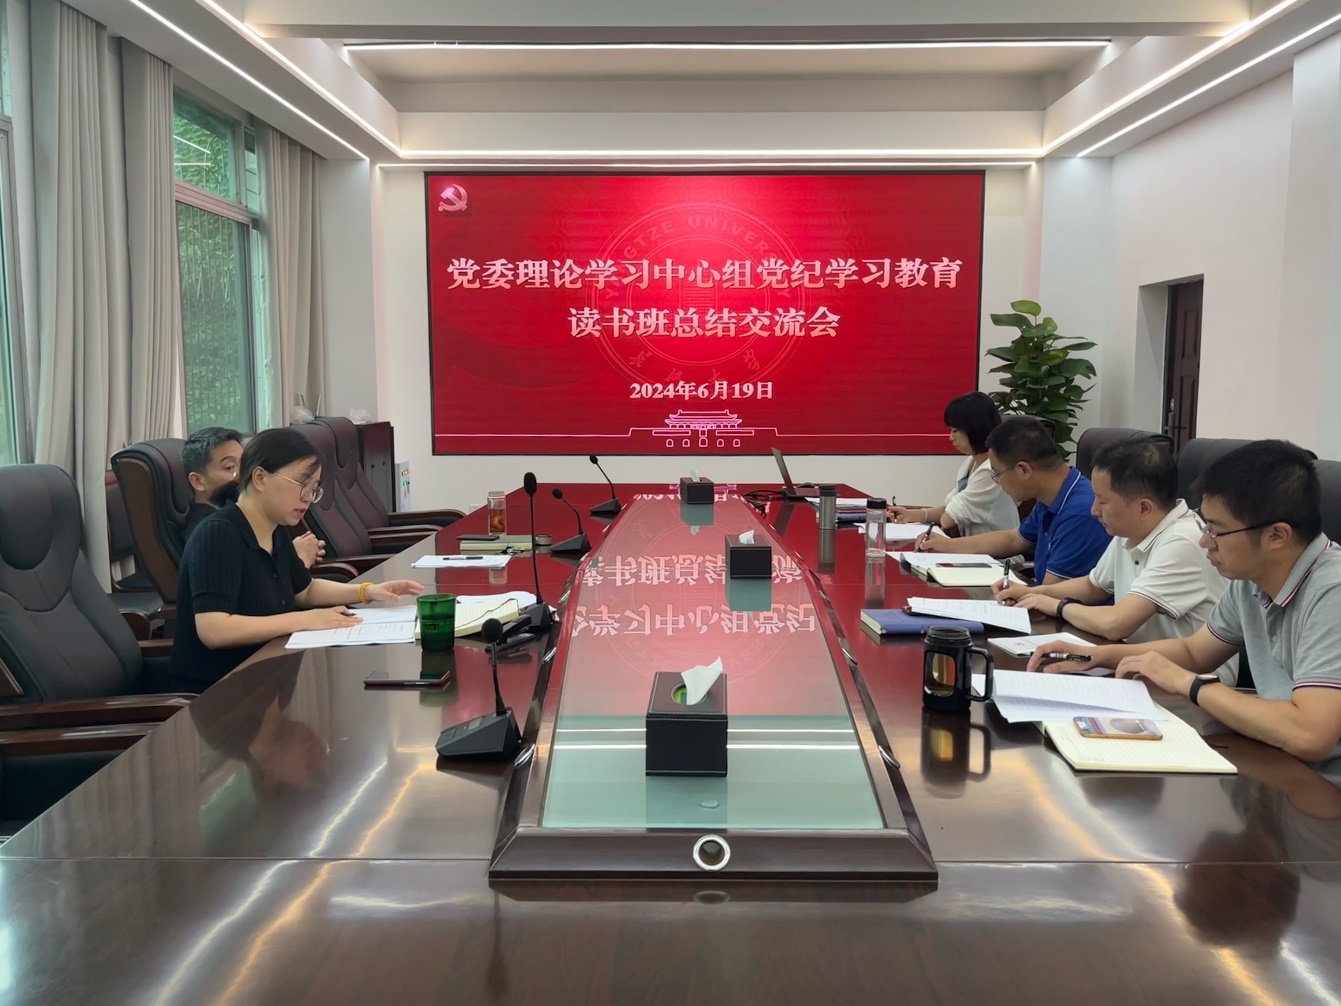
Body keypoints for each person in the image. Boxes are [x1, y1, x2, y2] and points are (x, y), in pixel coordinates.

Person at [1032, 440, 1341, 781]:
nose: (1205, 541)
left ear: (1277, 536)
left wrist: (1189, 684)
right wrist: (1100, 656)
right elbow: (1194, 652)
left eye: (1216, 531)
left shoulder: (1333, 592)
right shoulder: (1250, 578)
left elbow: (1310, 735)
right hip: (1275, 761)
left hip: (1322, 789)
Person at [169, 427, 425, 692]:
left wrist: (368, 591)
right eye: (302, 485)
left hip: (269, 676)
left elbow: (305, 590)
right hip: (220, 693)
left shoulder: (274, 528)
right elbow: (214, 629)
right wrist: (305, 620)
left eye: (314, 489)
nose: (308, 498)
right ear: (260, 478)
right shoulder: (218, 534)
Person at [997, 439, 1233, 681]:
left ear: (1143, 508)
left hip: (1188, 680)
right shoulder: (1131, 529)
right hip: (1134, 662)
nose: (1094, 510)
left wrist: (1057, 606)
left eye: (1103, 501)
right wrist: (1035, 593)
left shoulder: (1182, 540)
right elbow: (1093, 586)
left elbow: (1116, 623)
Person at [915, 416, 1111, 584]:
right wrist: (945, 545)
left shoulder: (1081, 512)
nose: (998, 482)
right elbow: (1012, 539)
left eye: (997, 474)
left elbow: (1050, 594)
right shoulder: (1053, 495)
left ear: (1023, 470)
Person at [183, 426, 324, 569]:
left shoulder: (264, 516)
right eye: (229, 467)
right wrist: (299, 557)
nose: (242, 474)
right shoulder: (211, 534)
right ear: (197, 481)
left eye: (244, 464)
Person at [890, 391, 1019, 537]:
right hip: (970, 547)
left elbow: (948, 519)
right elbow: (949, 508)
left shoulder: (991, 472)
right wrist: (912, 515)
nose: (951, 437)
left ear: (975, 428)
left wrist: (945, 513)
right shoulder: (971, 462)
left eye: (955, 430)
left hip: (996, 551)